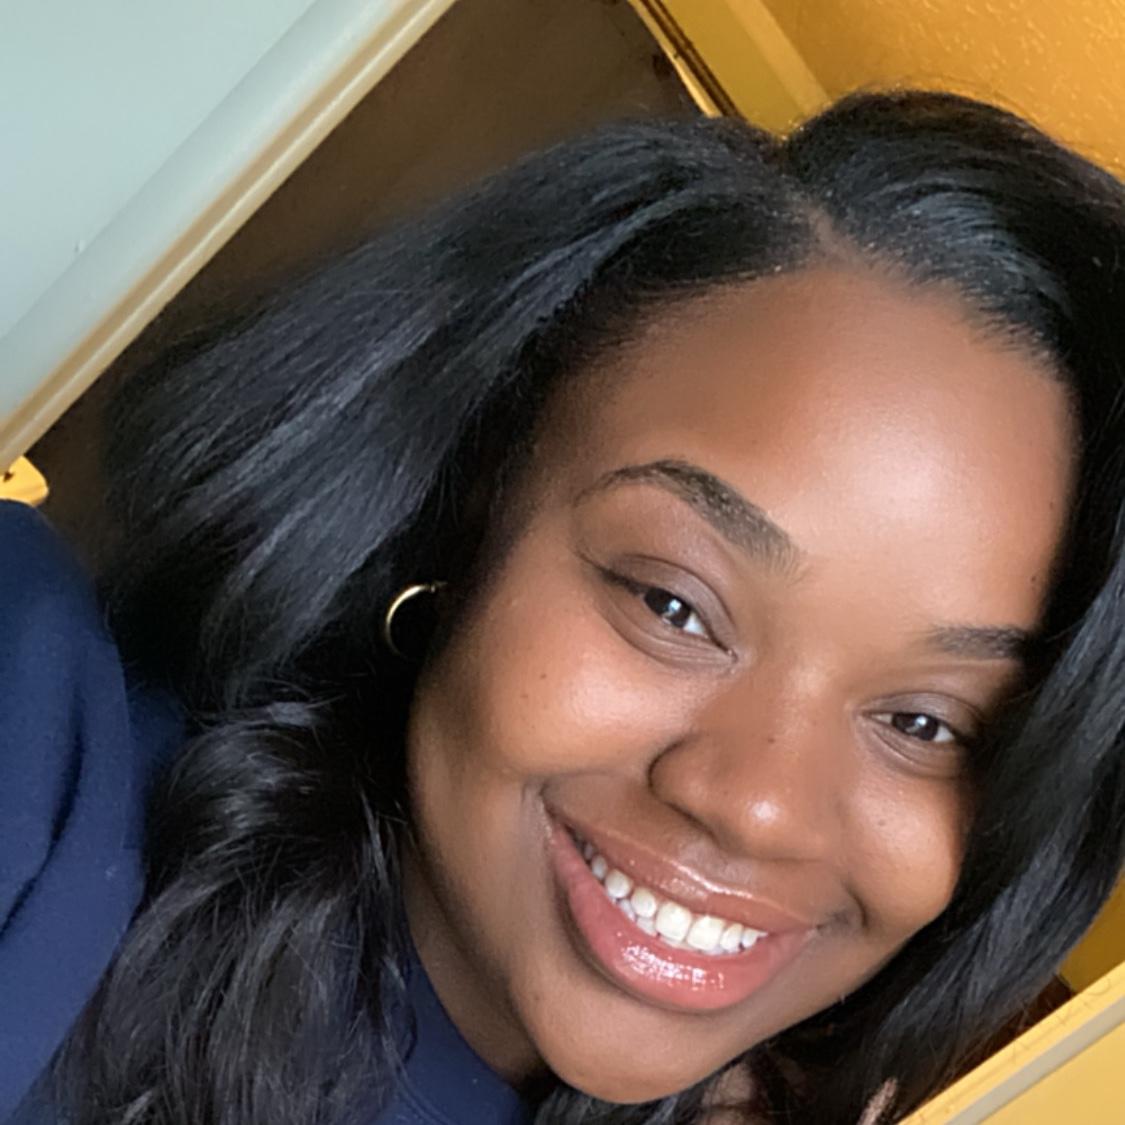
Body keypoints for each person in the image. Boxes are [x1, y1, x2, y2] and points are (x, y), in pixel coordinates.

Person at [2, 89, 1124, 1125]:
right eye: (672, 605)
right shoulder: (39, 732)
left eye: (926, 723)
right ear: (474, 501)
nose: (758, 807)